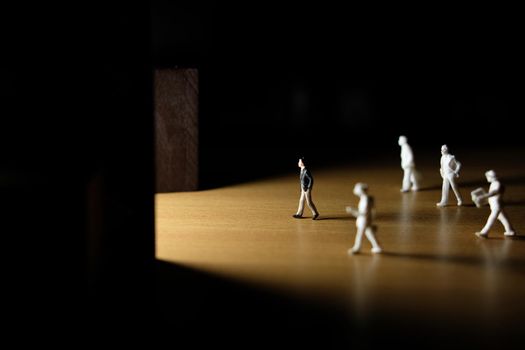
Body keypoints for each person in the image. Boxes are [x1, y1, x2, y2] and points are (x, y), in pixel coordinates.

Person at [475, 170, 516, 238]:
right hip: (494, 204)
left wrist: (483, 196)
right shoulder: (494, 183)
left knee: (492, 218)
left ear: (491, 177)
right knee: (503, 218)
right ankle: (510, 231)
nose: (487, 178)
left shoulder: (497, 183)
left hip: (496, 205)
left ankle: (484, 232)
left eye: (487, 177)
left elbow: (494, 192)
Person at [346, 183, 382, 254]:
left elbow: (363, 213)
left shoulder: (365, 200)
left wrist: (352, 211)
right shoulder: (366, 199)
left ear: (360, 191)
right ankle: (377, 246)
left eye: (356, 189)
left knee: (360, 234)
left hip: (364, 220)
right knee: (369, 233)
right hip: (365, 220)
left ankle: (357, 248)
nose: (354, 190)